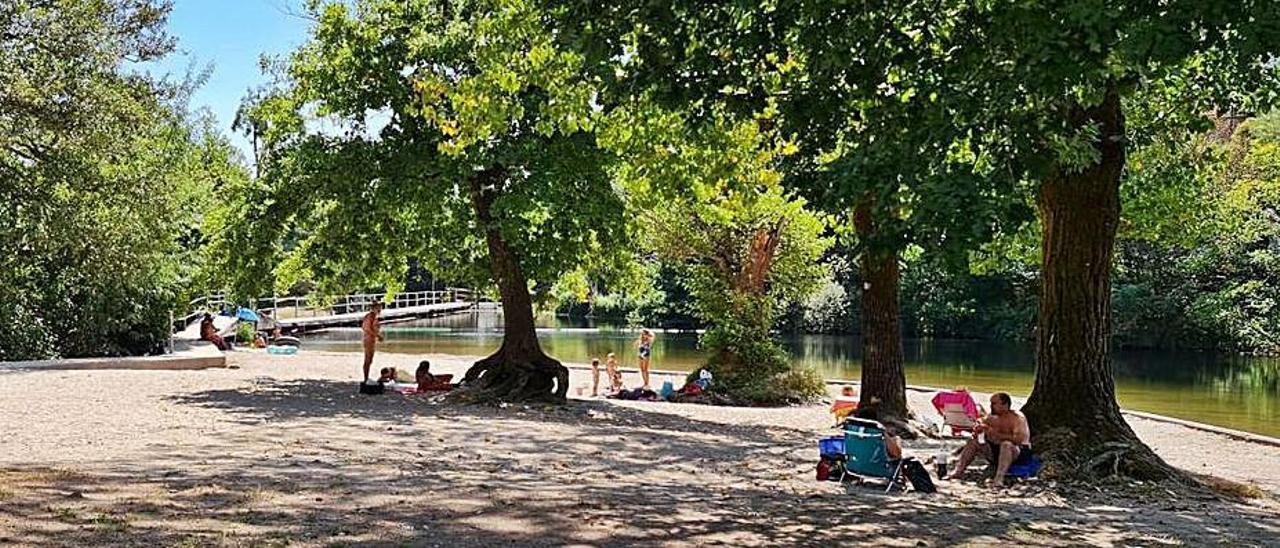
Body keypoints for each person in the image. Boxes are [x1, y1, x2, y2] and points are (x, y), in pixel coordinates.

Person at [946, 392, 1032, 488]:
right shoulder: (991, 417)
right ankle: (958, 471)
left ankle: (999, 479)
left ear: (1005, 405)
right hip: (995, 452)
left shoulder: (1017, 418)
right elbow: (979, 424)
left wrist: (995, 434)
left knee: (1006, 444)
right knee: (973, 442)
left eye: (994, 404)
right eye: (991, 403)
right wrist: (977, 429)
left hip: (1016, 453)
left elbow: (1019, 440)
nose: (991, 406)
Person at [361, 302, 385, 382]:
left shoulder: (374, 317)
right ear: (373, 308)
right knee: (368, 359)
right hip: (368, 339)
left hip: (372, 340)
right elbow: (366, 328)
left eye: (380, 308)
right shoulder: (370, 316)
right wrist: (377, 336)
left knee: (370, 359)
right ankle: (365, 378)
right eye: (378, 308)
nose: (379, 310)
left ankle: (366, 377)